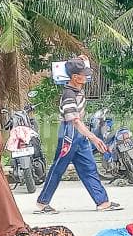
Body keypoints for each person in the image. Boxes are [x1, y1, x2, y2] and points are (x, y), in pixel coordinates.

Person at [35, 55, 122, 214]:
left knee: (89, 168)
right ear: (75, 78)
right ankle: (42, 203)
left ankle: (102, 202)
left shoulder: (77, 88)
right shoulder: (69, 95)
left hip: (80, 135)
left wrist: (83, 59)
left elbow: (80, 68)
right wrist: (94, 138)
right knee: (58, 169)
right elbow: (75, 121)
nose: (87, 76)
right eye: (84, 74)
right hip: (69, 135)